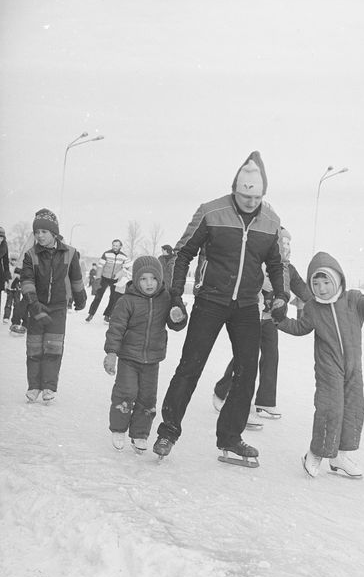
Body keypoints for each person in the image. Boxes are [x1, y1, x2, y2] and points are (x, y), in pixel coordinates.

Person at [153, 151, 287, 465]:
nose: (251, 202)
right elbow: (183, 253)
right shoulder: (211, 212)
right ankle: (168, 431)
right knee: (190, 366)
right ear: (235, 190)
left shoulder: (271, 221)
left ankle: (230, 437)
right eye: (244, 195)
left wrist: (280, 294)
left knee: (247, 371)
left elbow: (276, 264)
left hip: (246, 307)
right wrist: (176, 296)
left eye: (256, 197)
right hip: (211, 300)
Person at [273, 251, 364, 479]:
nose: (321, 289)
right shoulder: (313, 307)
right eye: (316, 283)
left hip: (353, 369)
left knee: (352, 410)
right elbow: (300, 327)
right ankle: (315, 454)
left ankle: (339, 457)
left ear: (338, 279)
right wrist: (278, 320)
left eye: (326, 282)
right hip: (328, 369)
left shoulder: (353, 300)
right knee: (330, 410)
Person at [212, 226, 312, 427]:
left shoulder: (289, 269)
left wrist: (318, 302)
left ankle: (265, 401)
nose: (287, 248)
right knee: (246, 357)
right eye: (282, 244)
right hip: (251, 315)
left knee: (271, 356)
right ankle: (223, 392)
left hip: (271, 320)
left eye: (288, 244)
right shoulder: (263, 264)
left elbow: (303, 289)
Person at [103, 256, 186, 453]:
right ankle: (118, 429)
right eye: (143, 279)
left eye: (153, 279)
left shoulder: (165, 299)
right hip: (129, 358)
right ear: (136, 279)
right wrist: (112, 353)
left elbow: (176, 322)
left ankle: (140, 433)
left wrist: (178, 316)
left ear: (160, 279)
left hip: (152, 359)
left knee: (147, 398)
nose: (149, 283)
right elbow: (116, 328)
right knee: (126, 392)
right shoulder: (127, 301)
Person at [20, 209, 87, 403]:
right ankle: (33, 386)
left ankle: (48, 386)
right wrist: (33, 304)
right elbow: (27, 281)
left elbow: (76, 278)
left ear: (54, 233)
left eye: (44, 232)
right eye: (37, 232)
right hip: (37, 306)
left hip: (58, 308)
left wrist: (80, 298)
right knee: (34, 348)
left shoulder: (70, 252)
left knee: (53, 348)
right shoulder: (30, 255)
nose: (40, 236)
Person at [85, 239, 129, 323]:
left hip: (115, 279)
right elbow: (100, 266)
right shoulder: (106, 254)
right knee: (98, 296)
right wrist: (98, 278)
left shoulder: (124, 257)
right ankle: (91, 314)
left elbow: (126, 268)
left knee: (113, 298)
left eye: (116, 246)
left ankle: (107, 315)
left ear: (120, 246)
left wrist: (120, 274)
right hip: (104, 278)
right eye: (113, 245)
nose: (115, 247)